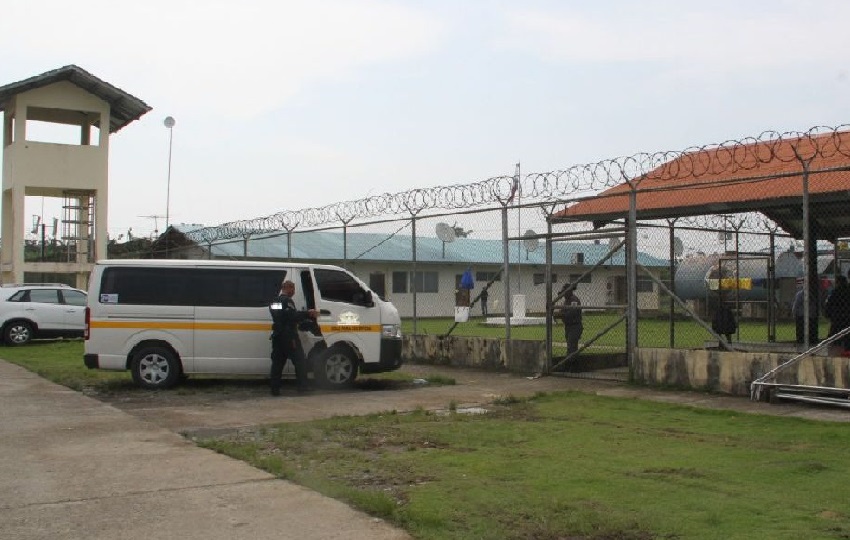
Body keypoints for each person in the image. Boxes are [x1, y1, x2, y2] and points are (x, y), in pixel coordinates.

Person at [269, 280, 318, 396]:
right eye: (293, 289)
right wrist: (308, 313)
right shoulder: (287, 301)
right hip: (289, 336)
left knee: (277, 364)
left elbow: (279, 315)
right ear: (289, 288)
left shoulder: (274, 301)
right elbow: (292, 316)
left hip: (277, 335)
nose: (294, 292)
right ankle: (303, 387)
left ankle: (274, 390)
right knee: (300, 361)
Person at [824, 275, 850, 350]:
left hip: (837, 317)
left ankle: (836, 349)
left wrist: (827, 314)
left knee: (835, 335)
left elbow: (829, 304)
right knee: (847, 335)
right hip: (847, 317)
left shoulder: (835, 292)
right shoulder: (847, 291)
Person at [558, 283, 583, 356]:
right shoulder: (566, 301)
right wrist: (559, 314)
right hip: (568, 326)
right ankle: (572, 362)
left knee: (572, 347)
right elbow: (562, 311)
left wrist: (561, 315)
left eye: (564, 293)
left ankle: (571, 363)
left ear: (569, 291)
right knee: (570, 346)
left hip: (575, 326)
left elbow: (573, 312)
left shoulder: (574, 300)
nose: (563, 295)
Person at [792, 278, 819, 345]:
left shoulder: (812, 294)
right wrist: (794, 313)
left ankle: (807, 344)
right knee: (801, 332)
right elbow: (796, 305)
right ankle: (801, 344)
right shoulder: (801, 294)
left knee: (808, 332)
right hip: (802, 316)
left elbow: (815, 306)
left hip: (809, 316)